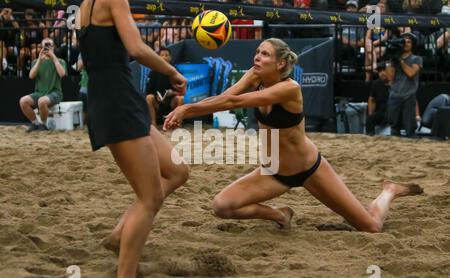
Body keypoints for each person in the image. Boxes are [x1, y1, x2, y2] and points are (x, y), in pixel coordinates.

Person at [165, 38, 423, 233]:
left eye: (264, 54)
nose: (257, 57)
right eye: (257, 52)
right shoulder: (254, 76)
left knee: (370, 227)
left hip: (309, 168)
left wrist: (187, 109)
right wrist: (187, 107)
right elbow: (224, 97)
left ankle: (389, 191)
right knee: (222, 207)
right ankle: (279, 215)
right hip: (273, 171)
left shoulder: (289, 88)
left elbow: (233, 102)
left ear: (281, 63)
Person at [76, 0, 188, 278]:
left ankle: (118, 236)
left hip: (114, 97)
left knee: (177, 171)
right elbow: (136, 48)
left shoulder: (86, 5)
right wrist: (172, 71)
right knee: (150, 197)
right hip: (118, 101)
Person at [19, 37, 66, 132]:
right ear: (41, 47)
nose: (47, 48)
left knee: (42, 101)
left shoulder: (60, 61)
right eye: (45, 45)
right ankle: (35, 123)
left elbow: (62, 74)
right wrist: (40, 61)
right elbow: (31, 76)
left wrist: (54, 58)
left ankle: (43, 124)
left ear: (53, 47)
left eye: (49, 45)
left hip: (55, 93)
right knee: (23, 101)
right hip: (39, 92)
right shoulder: (36, 62)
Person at [385, 32, 423, 137]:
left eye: (409, 42)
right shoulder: (394, 58)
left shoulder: (416, 59)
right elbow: (390, 78)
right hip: (395, 94)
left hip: (409, 95)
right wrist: (389, 60)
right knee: (394, 126)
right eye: (404, 42)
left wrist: (400, 60)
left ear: (413, 45)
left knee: (410, 128)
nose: (406, 44)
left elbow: (411, 73)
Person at [145, 47, 184, 126]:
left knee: (180, 98)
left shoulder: (175, 71)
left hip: (171, 101)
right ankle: (153, 124)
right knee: (149, 98)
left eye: (166, 55)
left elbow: (182, 91)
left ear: (170, 57)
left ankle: (176, 124)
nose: (164, 57)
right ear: (158, 57)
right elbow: (148, 91)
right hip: (157, 102)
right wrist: (156, 96)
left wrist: (172, 92)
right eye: (162, 55)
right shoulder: (153, 72)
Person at [366, 62, 391, 135]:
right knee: (370, 119)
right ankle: (370, 138)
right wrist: (370, 113)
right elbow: (372, 99)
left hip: (395, 112)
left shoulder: (397, 82)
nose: (382, 73)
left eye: (384, 70)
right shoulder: (376, 84)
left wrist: (417, 115)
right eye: (380, 71)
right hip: (382, 112)